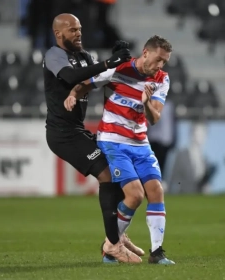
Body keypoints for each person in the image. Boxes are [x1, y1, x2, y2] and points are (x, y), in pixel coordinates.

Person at [65, 35, 176, 265]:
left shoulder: (161, 79)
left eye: (164, 62)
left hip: (140, 142)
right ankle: (112, 245)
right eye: (157, 60)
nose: (160, 66)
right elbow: (86, 83)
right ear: (145, 52)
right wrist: (73, 94)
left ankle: (156, 252)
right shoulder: (119, 69)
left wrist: (145, 103)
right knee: (135, 195)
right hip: (113, 141)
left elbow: (154, 118)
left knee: (156, 191)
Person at [43, 13, 143, 263]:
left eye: (79, 29)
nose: (78, 33)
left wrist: (120, 62)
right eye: (72, 30)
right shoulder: (53, 55)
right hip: (62, 134)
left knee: (118, 174)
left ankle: (116, 235)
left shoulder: (85, 57)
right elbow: (70, 77)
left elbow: (100, 77)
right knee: (108, 173)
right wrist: (109, 61)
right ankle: (114, 242)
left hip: (77, 130)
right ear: (59, 34)